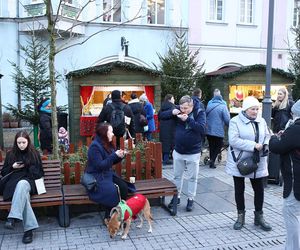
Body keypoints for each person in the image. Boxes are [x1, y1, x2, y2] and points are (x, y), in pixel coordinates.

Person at [225, 96, 272, 231]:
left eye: (257, 109)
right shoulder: (235, 121)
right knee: (239, 189)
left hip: (258, 161)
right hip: (240, 160)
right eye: (253, 109)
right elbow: (233, 140)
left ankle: (259, 217)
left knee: (259, 189)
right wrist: (253, 145)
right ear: (246, 109)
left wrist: (265, 144)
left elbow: (267, 135)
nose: (256, 111)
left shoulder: (261, 121)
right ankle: (240, 216)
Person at [160, 95, 206, 211]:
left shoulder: (199, 112)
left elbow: (202, 128)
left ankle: (191, 199)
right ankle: (177, 197)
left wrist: (188, 120)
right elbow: (161, 115)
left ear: (191, 106)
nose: (183, 110)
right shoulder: (177, 110)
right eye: (181, 108)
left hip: (193, 151)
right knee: (177, 176)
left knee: (192, 177)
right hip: (178, 150)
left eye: (186, 108)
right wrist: (172, 112)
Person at [85, 122, 135, 221]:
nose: (113, 134)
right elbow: (100, 166)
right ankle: (108, 217)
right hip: (96, 177)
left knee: (124, 187)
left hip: (107, 174)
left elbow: (111, 161)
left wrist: (120, 155)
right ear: (104, 133)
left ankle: (120, 212)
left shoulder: (107, 143)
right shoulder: (95, 146)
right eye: (111, 132)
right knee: (112, 191)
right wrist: (114, 155)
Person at [0, 131, 44, 244]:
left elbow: (38, 174)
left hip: (30, 182)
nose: (21, 145)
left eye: (23, 142)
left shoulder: (34, 153)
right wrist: (12, 167)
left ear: (28, 142)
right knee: (23, 195)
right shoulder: (11, 154)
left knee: (22, 184)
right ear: (16, 143)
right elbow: (4, 172)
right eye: (19, 143)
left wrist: (27, 164)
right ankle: (28, 231)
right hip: (14, 185)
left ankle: (12, 217)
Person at [269, 99, 300, 249]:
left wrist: (274, 137)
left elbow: (277, 147)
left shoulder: (296, 129)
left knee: (289, 211)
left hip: (296, 181)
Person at [206, 94, 230, 168]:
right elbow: (227, 119)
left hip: (208, 129)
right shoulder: (223, 106)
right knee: (219, 145)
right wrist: (230, 125)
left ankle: (211, 161)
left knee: (211, 146)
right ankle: (212, 160)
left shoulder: (209, 105)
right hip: (218, 130)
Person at [158, 94, 176, 165]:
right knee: (172, 144)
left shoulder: (162, 107)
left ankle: (165, 159)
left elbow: (160, 116)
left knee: (165, 144)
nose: (174, 100)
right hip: (172, 129)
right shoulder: (173, 107)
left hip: (163, 129)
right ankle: (169, 160)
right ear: (170, 99)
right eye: (173, 98)